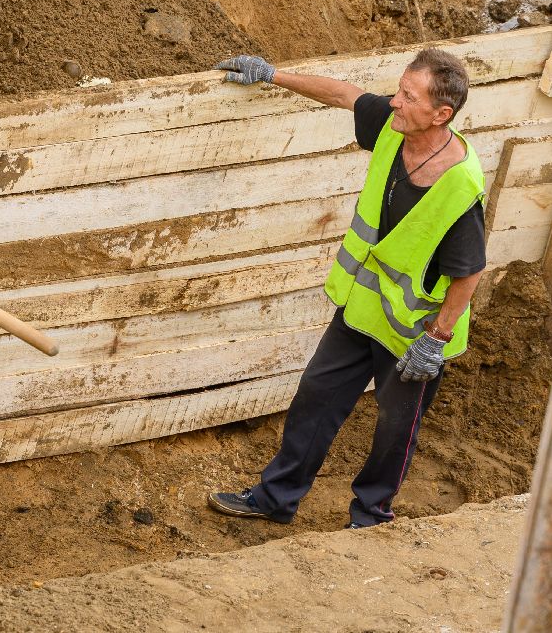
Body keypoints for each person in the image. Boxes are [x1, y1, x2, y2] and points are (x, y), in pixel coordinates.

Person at [206, 48, 486, 529]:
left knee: (395, 430)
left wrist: (435, 339)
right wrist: (272, 74)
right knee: (317, 396)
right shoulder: (393, 128)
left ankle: (370, 517)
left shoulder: (460, 187)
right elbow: (344, 95)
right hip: (363, 309)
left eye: (409, 96)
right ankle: (275, 498)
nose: (395, 102)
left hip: (415, 333)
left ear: (441, 114)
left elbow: (469, 273)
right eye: (399, 90)